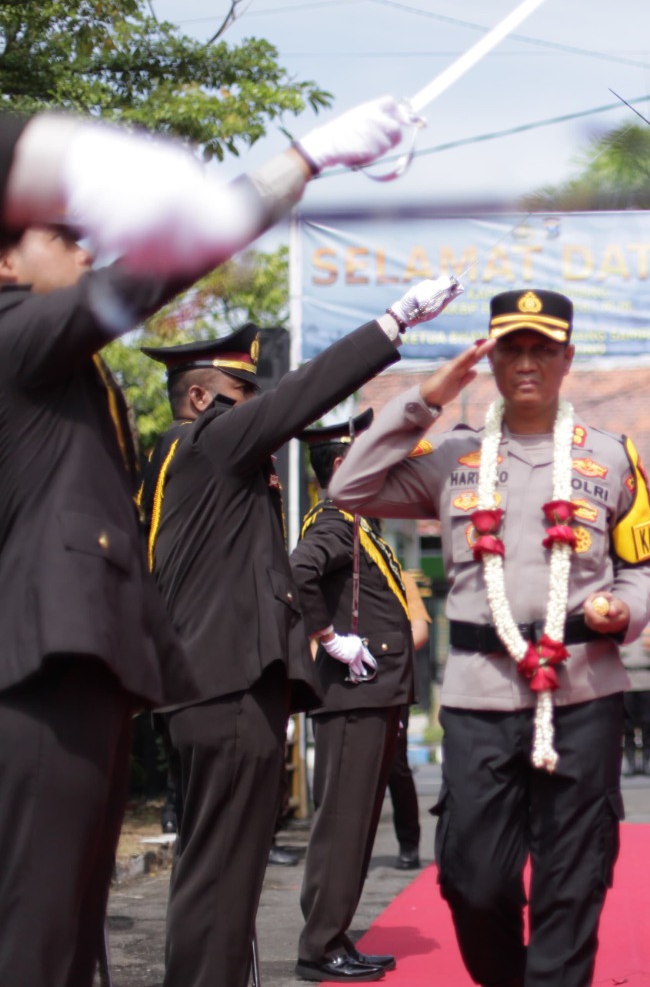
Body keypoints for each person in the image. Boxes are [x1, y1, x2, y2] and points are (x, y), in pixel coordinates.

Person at [0, 96, 412, 987]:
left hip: (86, 676)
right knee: (34, 938)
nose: (84, 249)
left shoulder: (68, 374)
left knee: (69, 936)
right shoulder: (15, 338)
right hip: (38, 675)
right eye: (61, 234)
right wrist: (298, 162)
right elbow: (154, 271)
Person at [329, 289, 650, 987]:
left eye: (544, 348)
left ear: (568, 359)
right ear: (490, 357)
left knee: (573, 882)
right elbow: (349, 487)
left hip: (583, 689)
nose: (528, 362)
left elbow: (642, 566)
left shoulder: (612, 456)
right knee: (472, 881)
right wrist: (424, 396)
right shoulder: (452, 458)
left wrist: (622, 609)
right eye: (512, 347)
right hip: (480, 696)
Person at [141, 276, 460, 987]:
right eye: (245, 400)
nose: (260, 418)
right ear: (202, 400)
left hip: (202, 687)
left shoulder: (179, 467)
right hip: (226, 691)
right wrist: (392, 321)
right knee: (224, 879)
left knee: (212, 873)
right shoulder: (209, 446)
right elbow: (303, 396)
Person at [291, 409, 418, 982]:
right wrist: (328, 636)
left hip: (372, 693)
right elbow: (299, 573)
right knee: (343, 824)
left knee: (358, 825)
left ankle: (334, 934)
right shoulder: (335, 523)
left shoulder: (355, 522)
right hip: (353, 696)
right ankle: (320, 945)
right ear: (343, 465)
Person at [387, 569, 433, 872]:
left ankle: (409, 843)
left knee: (395, 764)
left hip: (389, 675)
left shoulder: (399, 575)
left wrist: (382, 653)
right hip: (342, 676)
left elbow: (420, 630)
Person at [619, 618, 650, 776]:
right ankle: (631, 764)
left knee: (647, 724)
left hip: (647, 680)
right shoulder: (619, 625)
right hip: (625, 681)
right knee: (627, 726)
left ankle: (646, 763)